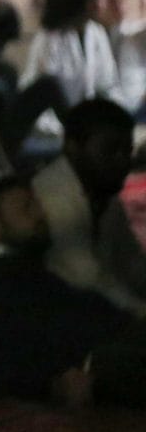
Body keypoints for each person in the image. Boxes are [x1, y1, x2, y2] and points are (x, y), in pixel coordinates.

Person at [0, 175, 146, 406]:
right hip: (97, 362)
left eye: (37, 205)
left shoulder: (25, 265)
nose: (41, 215)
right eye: (27, 208)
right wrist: (50, 384)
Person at [32, 98, 146, 314]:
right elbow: (87, 279)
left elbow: (130, 260)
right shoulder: (51, 195)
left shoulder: (101, 186)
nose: (123, 161)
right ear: (72, 148)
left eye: (127, 150)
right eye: (110, 150)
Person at [23, 0, 123, 115]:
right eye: (98, 0)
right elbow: (47, 89)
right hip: (48, 122)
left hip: (83, 120)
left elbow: (107, 82)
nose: (103, 4)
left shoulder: (96, 33)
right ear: (87, 4)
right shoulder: (50, 37)